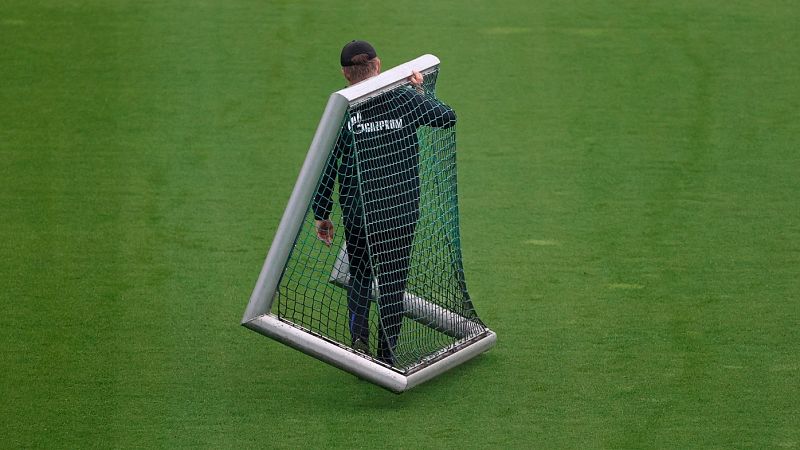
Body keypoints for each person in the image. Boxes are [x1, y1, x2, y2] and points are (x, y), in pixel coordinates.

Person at [312, 40, 456, 366]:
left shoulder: (341, 109)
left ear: (345, 74)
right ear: (378, 65)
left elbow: (326, 164)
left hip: (359, 213)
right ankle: (387, 355)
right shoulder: (403, 98)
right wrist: (422, 92)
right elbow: (447, 117)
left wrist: (322, 214)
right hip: (400, 214)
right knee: (392, 283)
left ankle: (359, 335)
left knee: (360, 274)